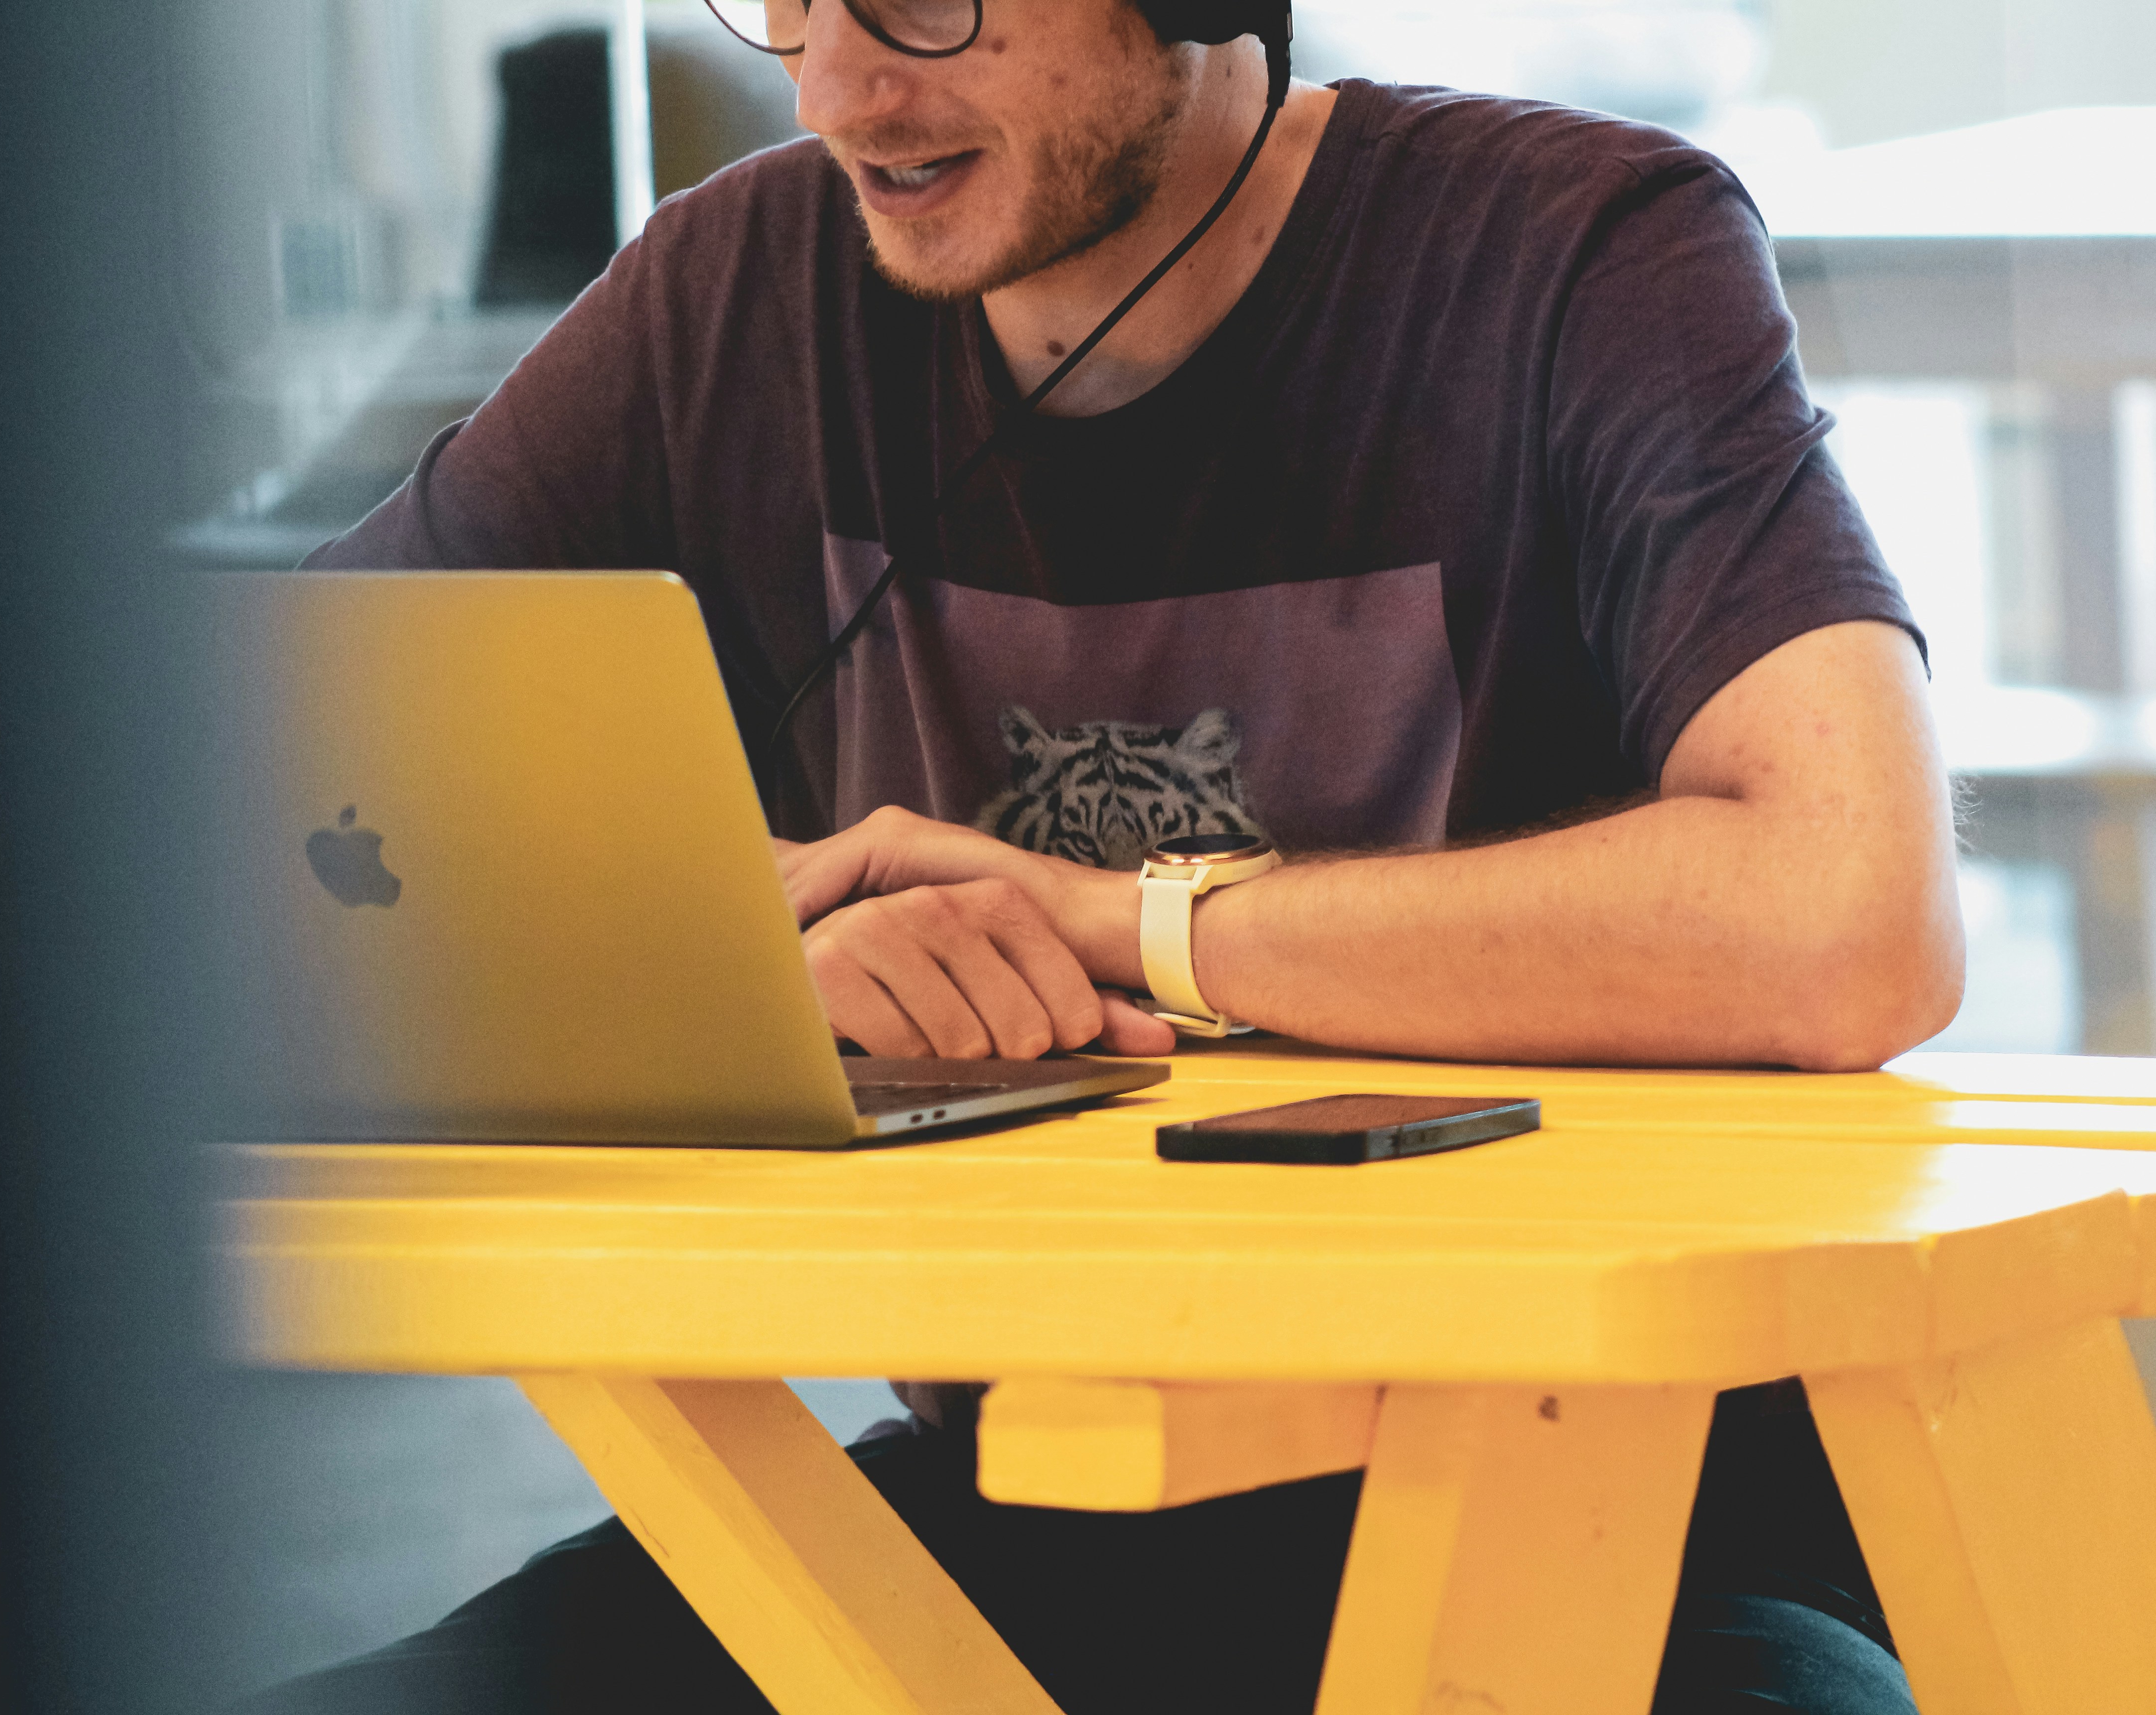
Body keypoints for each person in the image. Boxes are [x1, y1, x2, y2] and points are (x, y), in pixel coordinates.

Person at [257, 0, 1963, 1710]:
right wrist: (737, 932)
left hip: (1630, 1524)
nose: (841, 85)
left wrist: (1127, 924)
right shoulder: (739, 291)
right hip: (1024, 1510)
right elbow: (251, 793)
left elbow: (1850, 915)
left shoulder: (1577, 255)